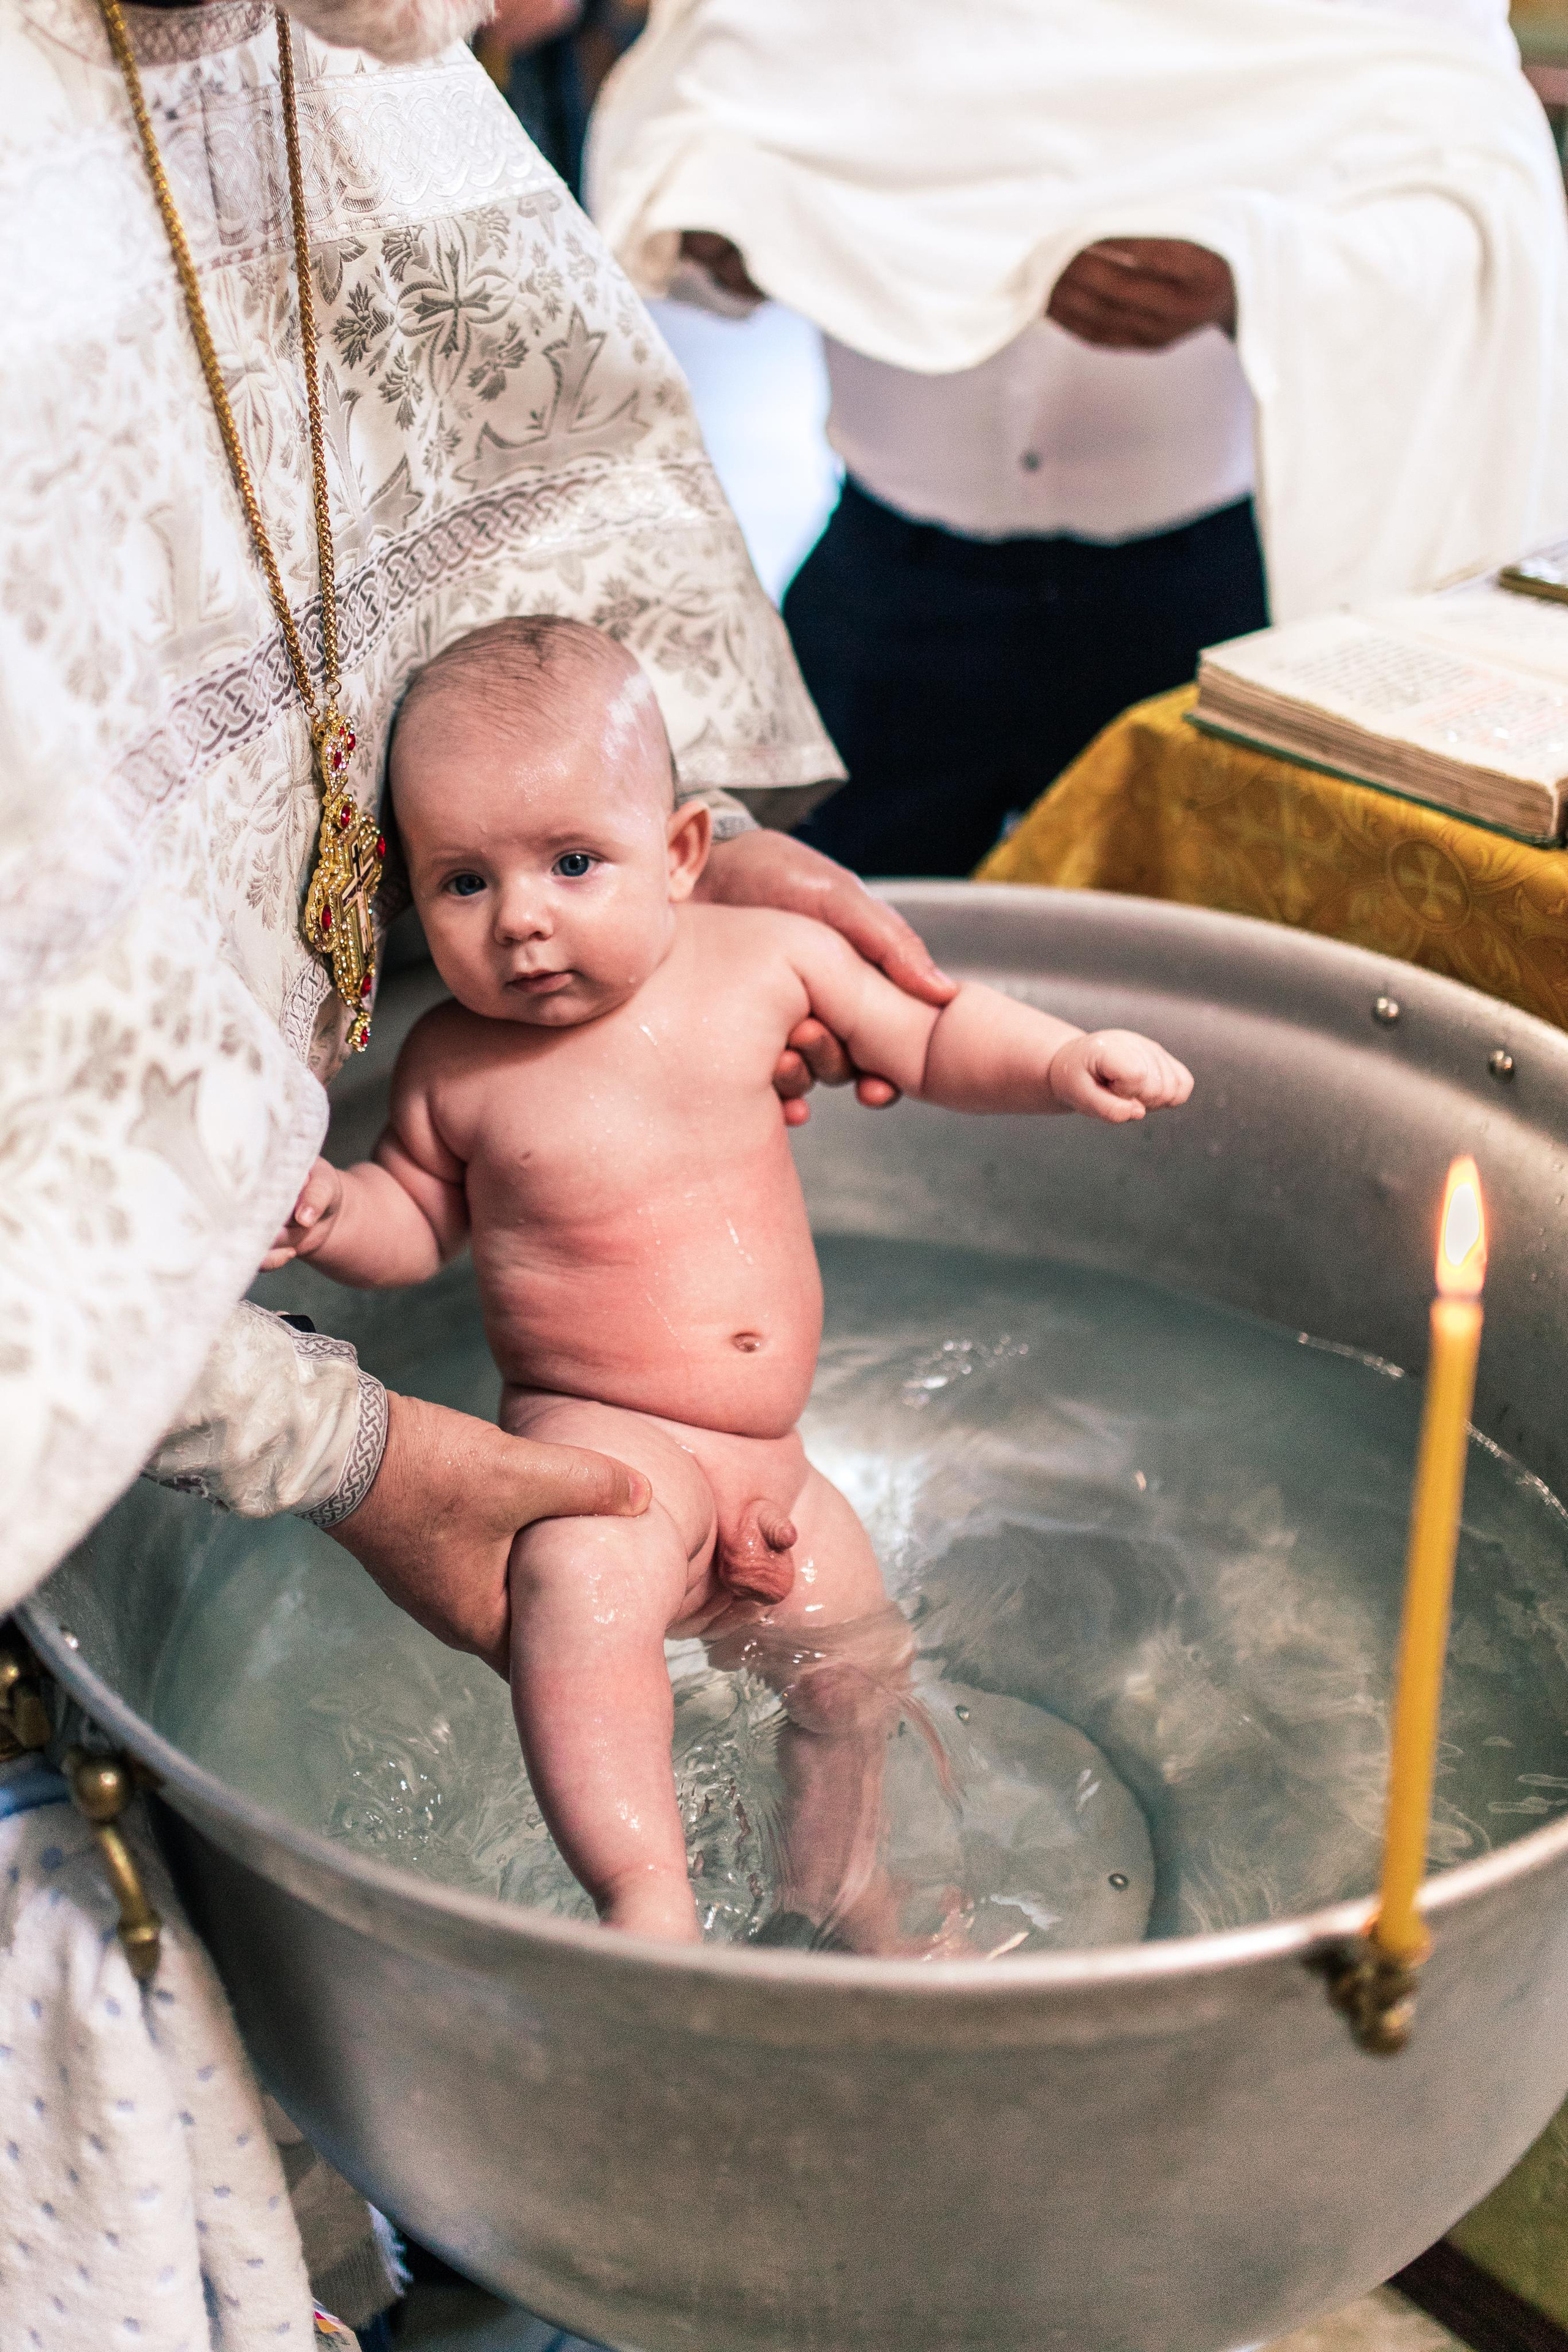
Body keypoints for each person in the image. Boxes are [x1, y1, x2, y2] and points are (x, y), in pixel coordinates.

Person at [0, 0, 955, 1645]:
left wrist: (669, 839)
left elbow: (516, 511)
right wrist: (330, 1438)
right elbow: (397, 1213)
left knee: (856, 1675)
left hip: (743, 1430)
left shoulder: (330, 44)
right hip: (145, 1395)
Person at [264, 616, 1193, 1943]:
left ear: (685, 852)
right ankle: (643, 1888)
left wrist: (1057, 1061)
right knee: (579, 1601)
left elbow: (930, 1034)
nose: (522, 919)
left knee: (856, 1668)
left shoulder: (767, 961)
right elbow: (415, 1220)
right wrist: (332, 1212)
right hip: (607, 1451)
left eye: (573, 863)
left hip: (775, 1464)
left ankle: (843, 1891)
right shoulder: (455, 1066)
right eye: (463, 883)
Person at [589, 0, 1568, 875]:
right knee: (802, 934)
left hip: (1199, 594)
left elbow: (1472, 181)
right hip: (887, 581)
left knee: (1188, 960)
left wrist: (1253, 276)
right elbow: (709, 95)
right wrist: (737, 228)